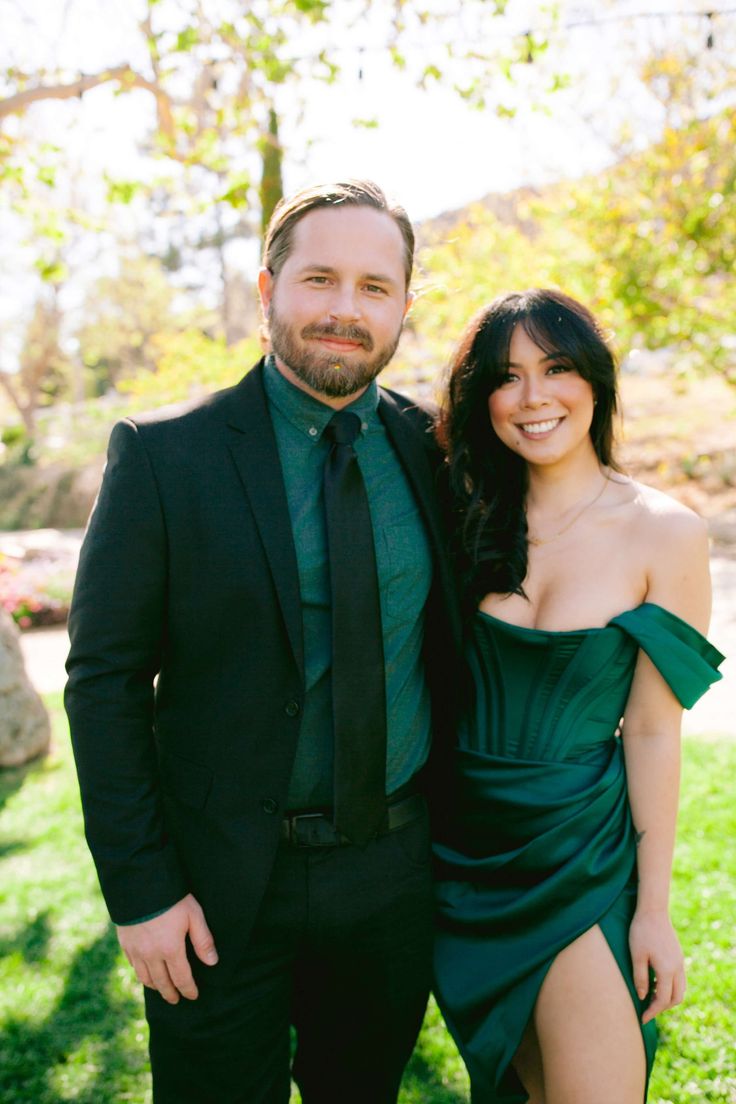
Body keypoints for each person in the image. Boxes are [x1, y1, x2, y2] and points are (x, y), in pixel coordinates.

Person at [65, 179, 461, 1104]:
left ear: (405, 304)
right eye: (319, 278)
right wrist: (143, 892)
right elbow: (104, 682)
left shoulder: (435, 450)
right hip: (216, 891)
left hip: (393, 877)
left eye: (374, 286)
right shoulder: (165, 455)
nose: (344, 310)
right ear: (266, 289)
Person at [432, 289, 724, 1104]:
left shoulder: (665, 533)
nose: (532, 398)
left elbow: (654, 733)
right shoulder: (462, 515)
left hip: (575, 860)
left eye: (555, 368)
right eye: (506, 376)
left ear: (595, 380)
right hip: (459, 862)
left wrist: (654, 911)